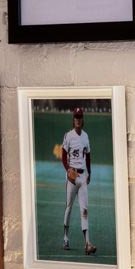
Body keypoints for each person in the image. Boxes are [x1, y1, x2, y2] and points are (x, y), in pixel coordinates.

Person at [60, 105, 97, 255]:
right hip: (72, 176)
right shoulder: (68, 136)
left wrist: (90, 173)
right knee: (69, 207)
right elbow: (63, 156)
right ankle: (65, 238)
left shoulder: (86, 136)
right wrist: (68, 170)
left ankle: (87, 244)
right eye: (76, 117)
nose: (78, 119)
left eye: (80, 117)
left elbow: (88, 156)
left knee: (84, 210)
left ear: (83, 119)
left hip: (82, 176)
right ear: (73, 119)